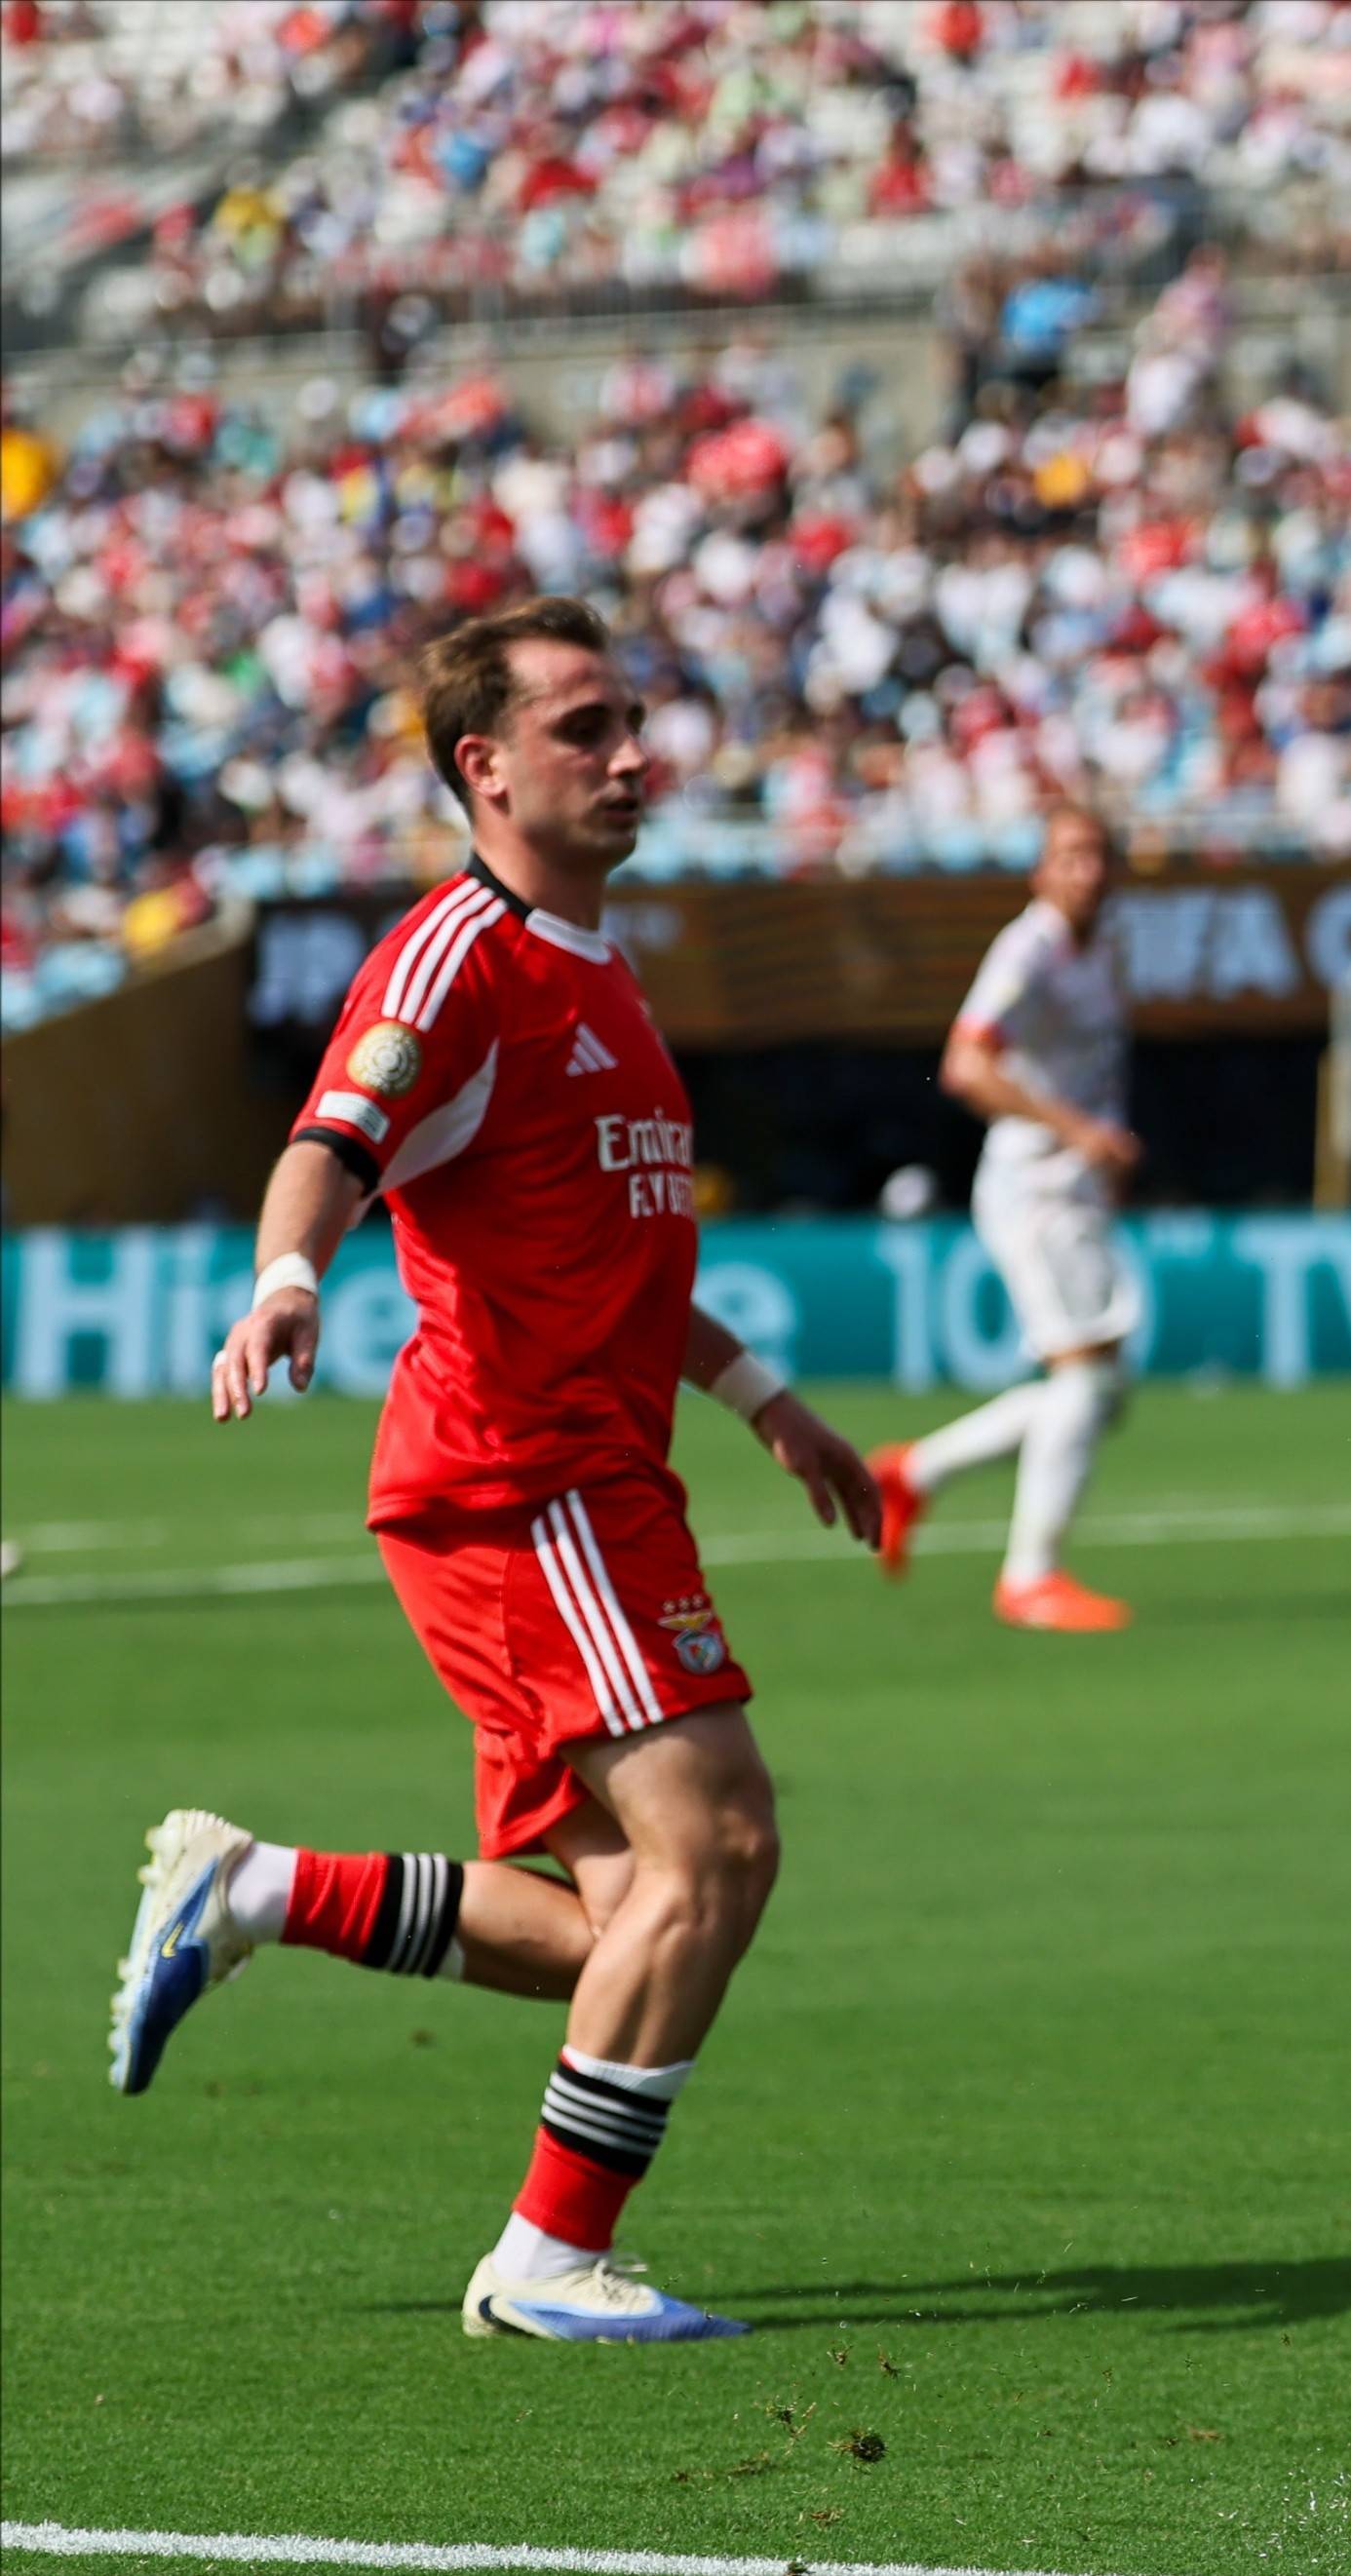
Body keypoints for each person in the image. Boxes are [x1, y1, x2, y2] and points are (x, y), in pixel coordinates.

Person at [116, 595, 882, 2341]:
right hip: (525, 1479)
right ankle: (547, 2259)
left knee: (617, 1917)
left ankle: (259, 1888)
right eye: (585, 728)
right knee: (725, 1844)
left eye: (634, 723)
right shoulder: (459, 954)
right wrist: (290, 1277)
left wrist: (765, 1395)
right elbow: (333, 1138)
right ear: (485, 765)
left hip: (591, 1475)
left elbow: (615, 1251)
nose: (632, 756)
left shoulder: (599, 968)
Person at [868, 803, 1143, 1630]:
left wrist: (1100, 1152)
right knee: (1086, 1378)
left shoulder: (1102, 948)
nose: (1085, 869)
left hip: (1074, 1188)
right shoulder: (1027, 948)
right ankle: (1029, 1577)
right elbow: (966, 1064)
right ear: (1041, 870)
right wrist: (1079, 1133)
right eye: (1069, 855)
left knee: (1101, 1388)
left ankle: (914, 1472)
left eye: (1097, 853)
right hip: (1034, 1189)